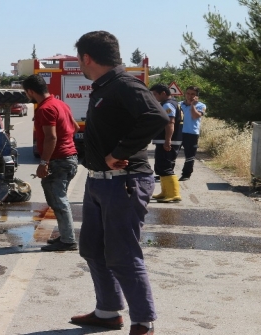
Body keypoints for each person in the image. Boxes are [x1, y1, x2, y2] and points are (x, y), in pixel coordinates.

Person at [71, 31, 168, 335]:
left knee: (123, 253)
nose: (79, 65)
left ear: (87, 58)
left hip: (124, 182)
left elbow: (157, 117)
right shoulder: (103, 88)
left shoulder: (124, 84)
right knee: (92, 248)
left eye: (79, 60)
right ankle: (108, 312)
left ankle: (143, 323)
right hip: (99, 182)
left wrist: (119, 152)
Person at [22, 74, 79, 252]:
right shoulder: (61, 104)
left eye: (26, 93)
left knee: (58, 201)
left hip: (59, 161)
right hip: (70, 158)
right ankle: (64, 236)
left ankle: (68, 240)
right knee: (58, 199)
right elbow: (75, 127)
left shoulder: (45, 109)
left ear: (31, 91)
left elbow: (51, 137)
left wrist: (44, 162)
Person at [150, 84, 183, 203]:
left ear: (163, 93)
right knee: (161, 167)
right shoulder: (172, 103)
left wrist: (167, 140)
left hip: (169, 141)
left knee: (166, 166)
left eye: (155, 94)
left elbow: (170, 123)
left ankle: (173, 193)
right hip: (165, 140)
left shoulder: (168, 104)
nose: (154, 97)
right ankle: (165, 192)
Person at [179, 86, 207, 181]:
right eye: (188, 93)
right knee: (171, 154)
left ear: (196, 96)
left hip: (191, 133)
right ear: (185, 94)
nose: (190, 96)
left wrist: (193, 105)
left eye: (193, 94)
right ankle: (166, 173)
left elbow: (195, 116)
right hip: (178, 133)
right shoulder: (179, 105)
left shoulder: (201, 106)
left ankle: (186, 174)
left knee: (190, 156)